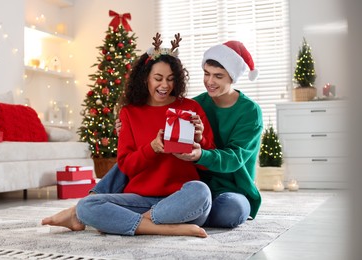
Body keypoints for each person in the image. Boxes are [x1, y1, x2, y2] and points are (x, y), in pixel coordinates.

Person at [42, 33, 216, 238]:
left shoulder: (190, 107)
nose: (165, 85)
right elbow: (125, 165)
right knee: (87, 206)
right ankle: (163, 228)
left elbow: (207, 162)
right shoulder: (130, 113)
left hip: (181, 202)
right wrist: (152, 148)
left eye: (170, 79)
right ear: (145, 78)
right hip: (140, 200)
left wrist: (199, 141)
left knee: (201, 192)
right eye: (158, 78)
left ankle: (131, 223)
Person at [96, 40, 263, 229]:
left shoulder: (249, 111)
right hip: (196, 180)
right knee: (134, 157)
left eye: (218, 76)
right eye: (206, 74)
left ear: (232, 77)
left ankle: (154, 215)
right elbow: (158, 130)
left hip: (227, 186)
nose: (210, 81)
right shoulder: (195, 104)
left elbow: (235, 158)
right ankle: (96, 200)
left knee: (231, 211)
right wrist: (126, 128)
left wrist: (201, 151)